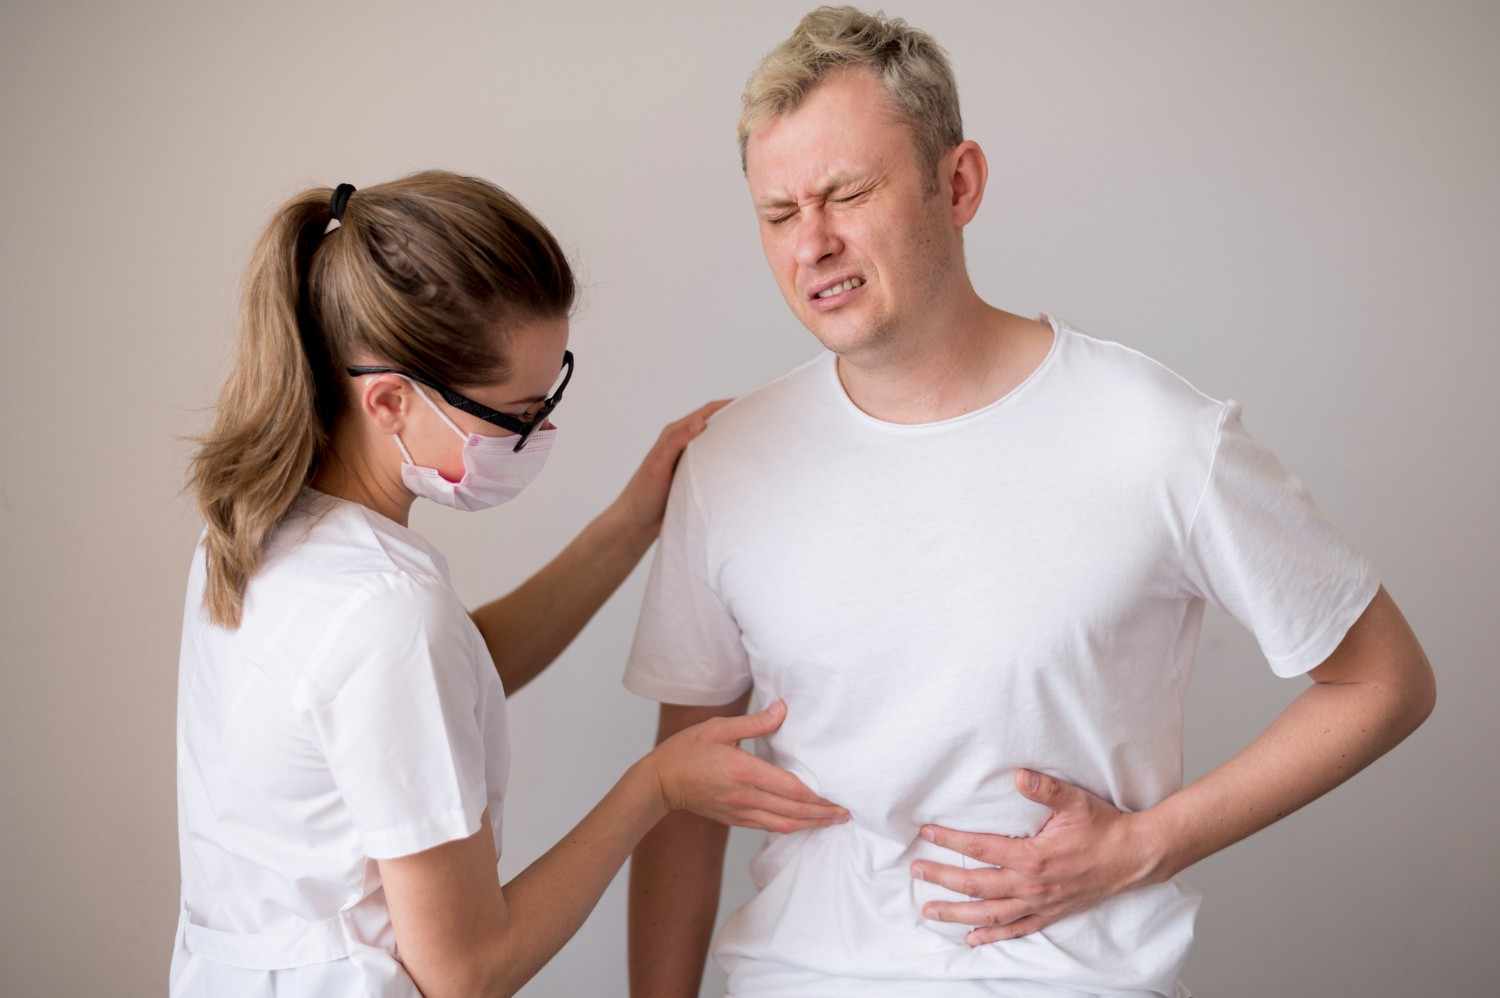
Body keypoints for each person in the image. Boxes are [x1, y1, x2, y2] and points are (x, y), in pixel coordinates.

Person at [624, 8, 1436, 997]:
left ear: (957, 183)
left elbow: (1385, 678)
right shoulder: (729, 462)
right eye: (780, 213)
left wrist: (1148, 844)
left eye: (847, 194)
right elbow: (682, 793)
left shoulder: (1155, 435)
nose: (815, 244)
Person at [171, 170, 849, 998]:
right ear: (390, 401)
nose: (540, 433)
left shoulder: (250, 533)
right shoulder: (385, 612)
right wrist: (656, 786)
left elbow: (445, 678)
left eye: (548, 395)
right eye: (517, 415)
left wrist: (630, 522)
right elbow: (467, 972)